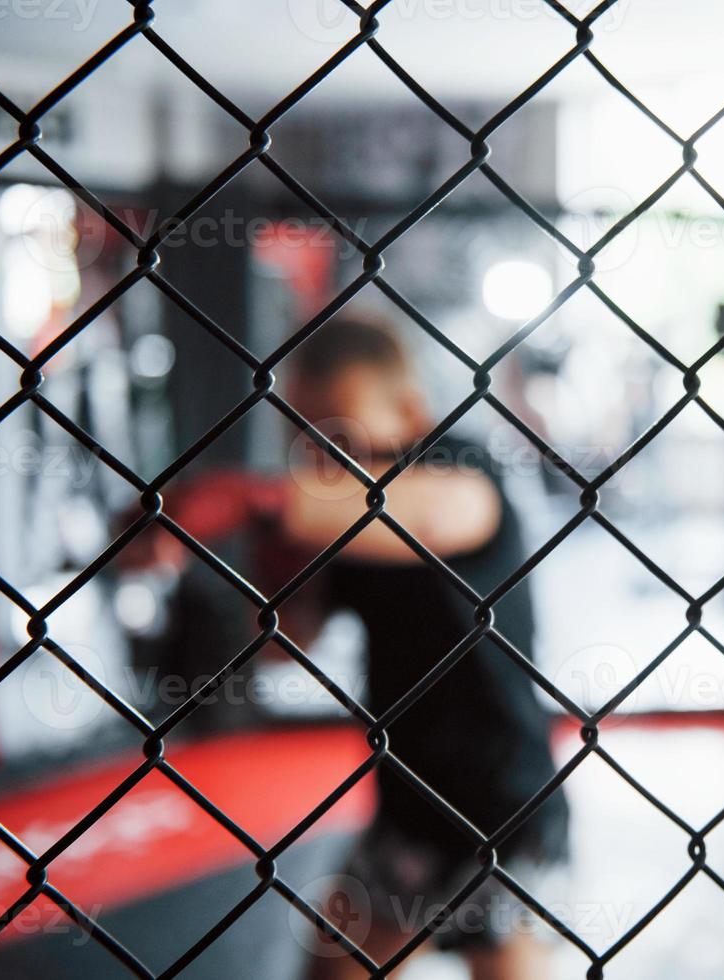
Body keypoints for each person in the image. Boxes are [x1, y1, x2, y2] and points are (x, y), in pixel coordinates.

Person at [145, 312, 567, 978]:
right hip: (408, 800)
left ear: (408, 410)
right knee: (333, 968)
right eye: (305, 433)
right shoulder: (333, 519)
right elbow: (290, 643)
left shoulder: (455, 468)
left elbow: (431, 514)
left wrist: (252, 499)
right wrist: (267, 573)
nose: (323, 452)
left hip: (502, 801)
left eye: (340, 427)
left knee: (509, 962)